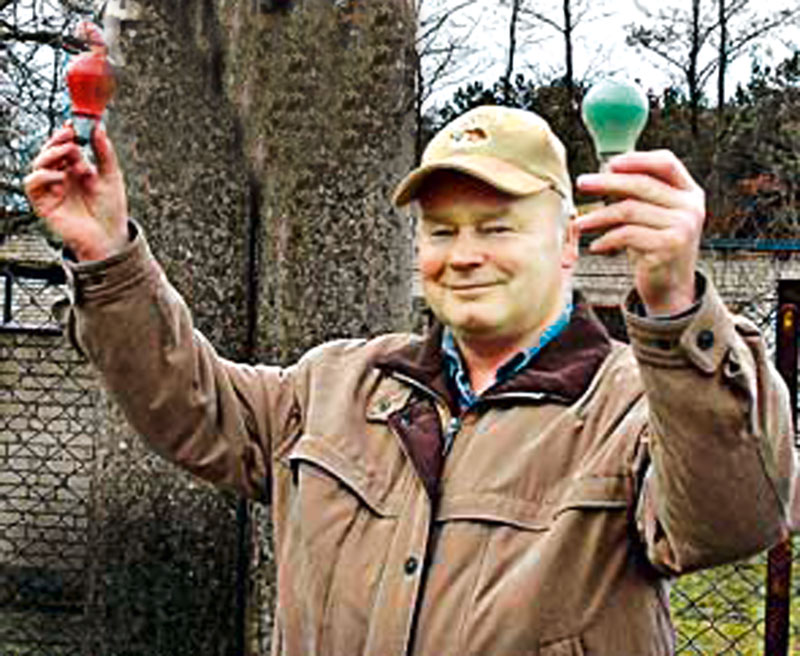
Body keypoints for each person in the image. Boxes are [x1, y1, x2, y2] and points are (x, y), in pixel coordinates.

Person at [25, 105, 798, 655]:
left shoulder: (634, 405)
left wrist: (674, 306)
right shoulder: (337, 385)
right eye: (440, 230)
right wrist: (106, 257)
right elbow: (187, 403)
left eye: (497, 228)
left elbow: (736, 519)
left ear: (567, 242)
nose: (463, 255)